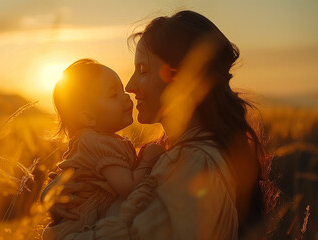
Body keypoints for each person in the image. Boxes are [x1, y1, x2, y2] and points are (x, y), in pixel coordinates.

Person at [42, 10, 278, 239]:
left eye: (142, 70)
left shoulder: (192, 162)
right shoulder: (173, 152)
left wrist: (56, 235)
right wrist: (57, 194)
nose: (129, 86)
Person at [42, 59, 165, 240]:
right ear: (88, 117)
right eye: (113, 94)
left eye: (121, 89)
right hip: (80, 230)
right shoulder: (96, 143)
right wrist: (147, 160)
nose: (126, 96)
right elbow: (129, 188)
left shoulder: (100, 141)